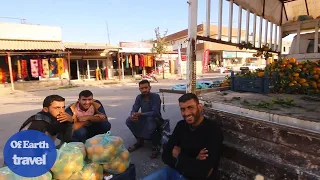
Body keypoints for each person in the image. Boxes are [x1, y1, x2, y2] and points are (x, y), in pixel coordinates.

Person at [143, 93, 224, 180]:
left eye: (190, 107)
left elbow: (203, 173)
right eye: (183, 109)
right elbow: (165, 156)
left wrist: (179, 155)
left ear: (199, 107)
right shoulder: (181, 126)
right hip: (174, 172)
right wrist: (194, 160)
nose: (186, 113)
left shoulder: (213, 130)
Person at [126, 80, 162, 158]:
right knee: (129, 121)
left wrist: (141, 114)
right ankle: (140, 140)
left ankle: (156, 146)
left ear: (150, 88)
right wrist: (133, 115)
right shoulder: (139, 97)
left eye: (146, 87)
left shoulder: (155, 97)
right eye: (142, 88)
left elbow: (155, 112)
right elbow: (134, 109)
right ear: (139, 89)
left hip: (155, 118)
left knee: (150, 120)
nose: (144, 90)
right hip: (144, 117)